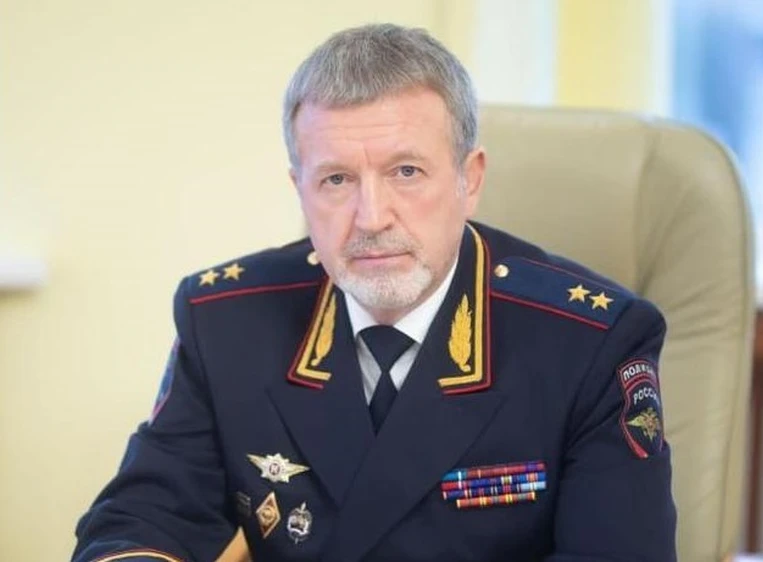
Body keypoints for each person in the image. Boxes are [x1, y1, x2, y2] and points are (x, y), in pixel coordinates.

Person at [72, 23, 676, 562]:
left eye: (406, 172)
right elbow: (140, 519)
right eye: (336, 179)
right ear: (300, 189)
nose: (371, 217)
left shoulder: (589, 342)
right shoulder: (227, 322)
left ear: (469, 180)